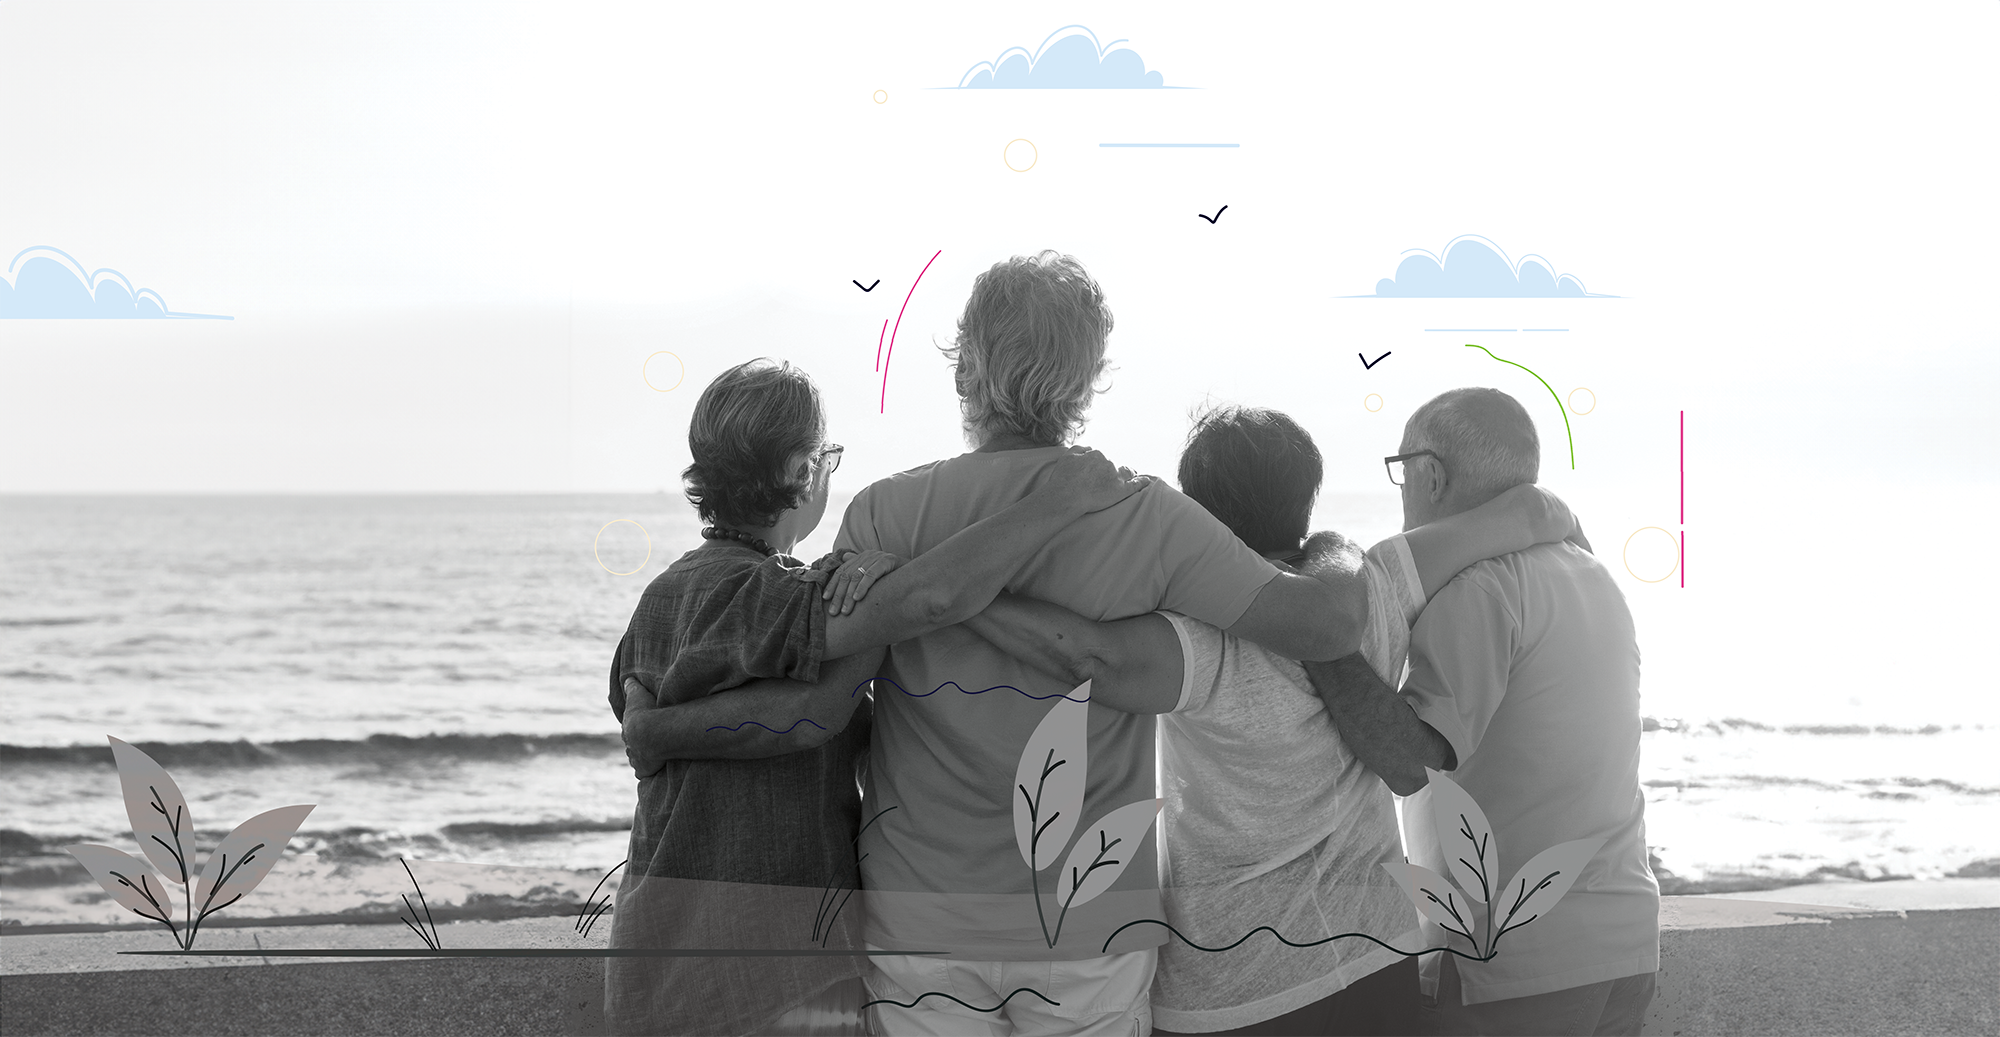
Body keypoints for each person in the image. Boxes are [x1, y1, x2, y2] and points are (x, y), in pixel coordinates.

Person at [829, 251, 1399, 1037]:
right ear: (1088, 377)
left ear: (965, 370)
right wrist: (1337, 547)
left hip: (920, 913)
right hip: (1089, 920)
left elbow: (828, 694)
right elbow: (1325, 626)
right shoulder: (1144, 513)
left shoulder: (881, 518)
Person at [956, 405, 1582, 1036]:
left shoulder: (1199, 637)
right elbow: (1504, 522)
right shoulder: (1377, 581)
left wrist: (958, 596)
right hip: (1380, 954)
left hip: (1234, 984)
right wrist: (1559, 515)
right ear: (1307, 496)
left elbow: (1084, 651)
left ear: (1197, 513)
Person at [604, 357, 1147, 1037]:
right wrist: (1051, 504)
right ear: (801, 470)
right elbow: (912, 613)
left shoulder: (659, 599)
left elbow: (662, 715)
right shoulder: (772, 593)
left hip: (655, 947)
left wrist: (659, 730)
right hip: (769, 965)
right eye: (827, 454)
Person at [1305, 387, 1658, 1037]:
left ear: (1431, 473)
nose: (1404, 490)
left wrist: (1323, 644)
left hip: (1522, 966)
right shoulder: (1591, 571)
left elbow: (1414, 762)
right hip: (1624, 941)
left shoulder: (1479, 584)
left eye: (1403, 472)